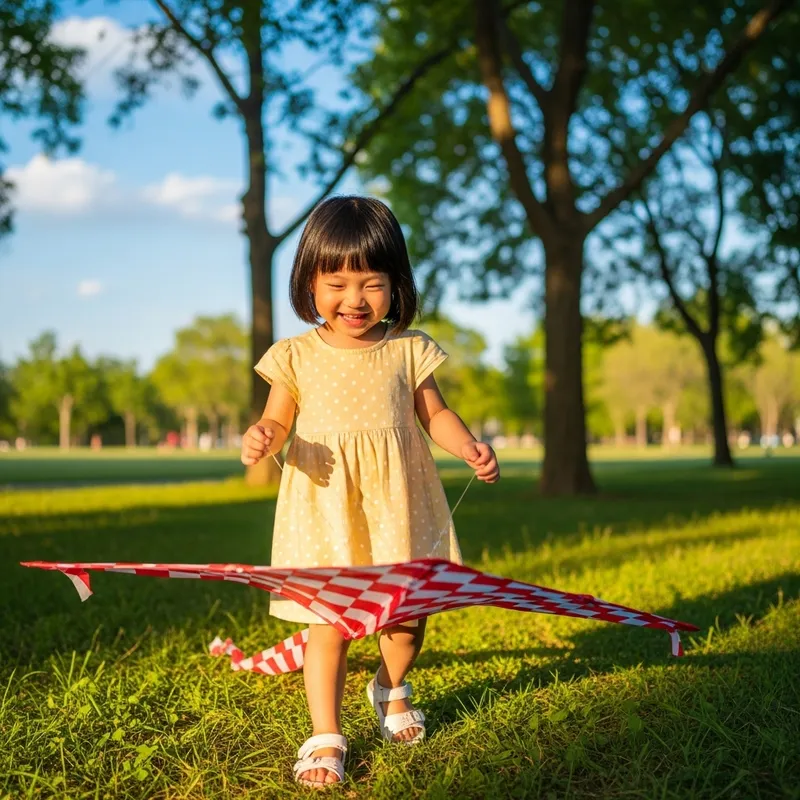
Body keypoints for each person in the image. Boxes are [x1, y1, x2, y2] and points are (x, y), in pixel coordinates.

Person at [240, 196, 500, 788]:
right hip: (324, 508)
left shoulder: (408, 349)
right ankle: (326, 733)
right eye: (336, 282)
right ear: (309, 281)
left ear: (395, 285)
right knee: (325, 622)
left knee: (404, 620)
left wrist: (468, 448)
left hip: (396, 507)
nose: (354, 300)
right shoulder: (295, 355)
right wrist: (264, 434)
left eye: (371, 284)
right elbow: (278, 419)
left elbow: (435, 414)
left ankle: (389, 685)